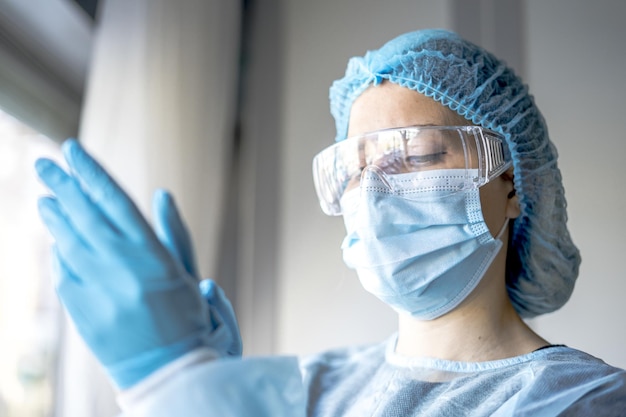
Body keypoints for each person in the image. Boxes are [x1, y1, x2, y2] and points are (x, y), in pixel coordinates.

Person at [35, 29, 626, 416]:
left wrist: (184, 390)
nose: (373, 192)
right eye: (353, 168)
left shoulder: (583, 401)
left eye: (418, 154)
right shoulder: (312, 386)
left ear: (512, 183)